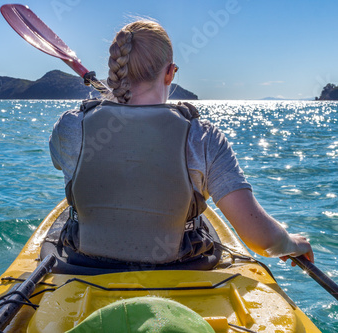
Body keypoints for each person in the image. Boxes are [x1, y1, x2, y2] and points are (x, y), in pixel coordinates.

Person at [49, 19, 313, 267]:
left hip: (86, 264)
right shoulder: (203, 137)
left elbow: (60, 160)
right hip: (181, 267)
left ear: (115, 70)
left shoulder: (71, 125)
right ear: (170, 73)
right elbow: (262, 239)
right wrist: (292, 242)